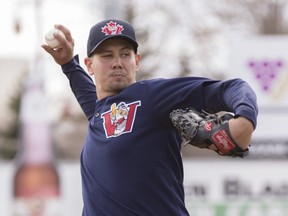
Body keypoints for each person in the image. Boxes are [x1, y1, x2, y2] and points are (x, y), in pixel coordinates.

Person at [42, 19, 258, 216]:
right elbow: (89, 96)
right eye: (107, 55)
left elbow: (232, 88)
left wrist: (245, 119)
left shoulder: (151, 97)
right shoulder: (100, 114)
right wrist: (69, 64)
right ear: (89, 65)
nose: (117, 62)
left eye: (125, 54)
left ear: (136, 61)